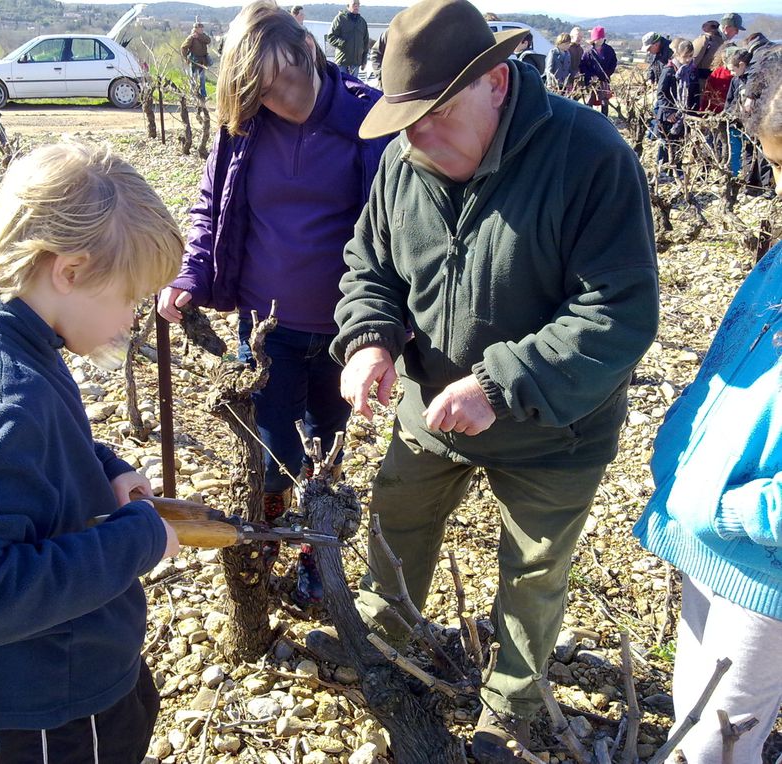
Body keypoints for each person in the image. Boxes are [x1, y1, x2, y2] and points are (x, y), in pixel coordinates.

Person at [329, 0, 659, 761]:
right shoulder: (405, 164)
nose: (417, 135)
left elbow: (619, 311)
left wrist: (500, 384)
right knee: (395, 520)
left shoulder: (589, 156)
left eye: (435, 113)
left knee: (535, 570)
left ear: (498, 83)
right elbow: (368, 266)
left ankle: (513, 704)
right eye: (406, 117)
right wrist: (371, 341)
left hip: (555, 423)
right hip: (430, 406)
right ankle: (388, 644)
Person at [0, 141, 183, 763]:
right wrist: (137, 540)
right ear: (72, 270)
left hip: (56, 673)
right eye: (131, 297)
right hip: (58, 707)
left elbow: (32, 458)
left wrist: (102, 468)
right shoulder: (11, 398)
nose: (133, 318)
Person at [157, 0, 391, 608]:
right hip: (268, 326)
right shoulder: (246, 126)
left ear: (310, 51)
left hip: (347, 330)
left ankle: (316, 550)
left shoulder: (370, 118)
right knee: (270, 448)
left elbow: (401, 229)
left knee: (325, 446)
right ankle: (264, 546)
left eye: (288, 78)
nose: (285, 98)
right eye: (265, 90)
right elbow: (212, 206)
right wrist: (190, 274)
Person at [634, 58, 782, 764]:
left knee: (721, 745)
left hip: (764, 566)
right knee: (691, 722)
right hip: (708, 533)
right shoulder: (778, 257)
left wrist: (736, 513)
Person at [655, 39, 697, 178]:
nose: (688, 59)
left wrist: (693, 111)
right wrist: (669, 112)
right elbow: (661, 93)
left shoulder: (691, 71)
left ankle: (676, 169)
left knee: (679, 143)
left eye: (690, 56)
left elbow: (694, 93)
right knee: (666, 143)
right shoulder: (669, 71)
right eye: (685, 56)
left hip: (683, 115)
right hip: (668, 114)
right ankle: (661, 170)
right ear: (677, 55)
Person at [580, 26, 617, 116]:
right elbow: (583, 66)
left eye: (601, 38)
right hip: (591, 81)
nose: (600, 40)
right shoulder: (588, 51)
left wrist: (607, 74)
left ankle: (605, 117)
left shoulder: (609, 50)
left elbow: (613, 63)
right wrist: (591, 75)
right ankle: (588, 117)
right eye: (598, 38)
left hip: (604, 80)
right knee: (590, 100)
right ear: (593, 39)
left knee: (604, 101)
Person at [326, 0, 370, 76]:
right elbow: (330, 37)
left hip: (356, 64)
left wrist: (364, 60)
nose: (356, 6)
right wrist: (342, 43)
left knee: (354, 86)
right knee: (341, 86)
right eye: (354, 4)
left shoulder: (362, 22)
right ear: (348, 6)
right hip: (342, 62)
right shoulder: (340, 19)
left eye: (358, 4)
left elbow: (365, 42)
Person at [181, 21, 212, 98]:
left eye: (202, 28)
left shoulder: (203, 36)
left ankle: (203, 94)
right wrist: (186, 58)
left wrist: (199, 37)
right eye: (200, 28)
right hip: (194, 60)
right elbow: (183, 47)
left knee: (202, 79)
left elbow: (208, 40)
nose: (202, 29)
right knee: (193, 78)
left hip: (202, 60)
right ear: (196, 29)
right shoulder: (191, 38)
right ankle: (193, 94)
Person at [692, 20, 725, 92]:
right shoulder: (722, 43)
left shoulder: (703, 40)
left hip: (700, 80)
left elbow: (693, 62)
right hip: (715, 80)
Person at [567, 26, 585, 94]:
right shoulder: (567, 48)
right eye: (578, 36)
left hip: (578, 80)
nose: (579, 38)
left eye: (581, 36)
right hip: (568, 79)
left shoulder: (581, 50)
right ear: (572, 36)